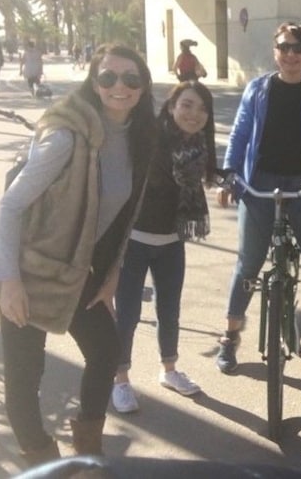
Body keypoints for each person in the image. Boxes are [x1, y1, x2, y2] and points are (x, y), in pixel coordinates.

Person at [0, 44, 156, 467]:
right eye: (108, 77)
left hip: (78, 273)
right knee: (25, 376)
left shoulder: (139, 139)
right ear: (93, 82)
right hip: (28, 270)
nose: (119, 87)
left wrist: (112, 273)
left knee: (106, 351)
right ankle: (43, 464)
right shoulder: (67, 135)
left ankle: (87, 452)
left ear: (143, 87)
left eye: (131, 79)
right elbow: (10, 206)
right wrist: (10, 283)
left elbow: (124, 217)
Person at [215, 22, 301, 374]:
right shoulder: (257, 89)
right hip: (260, 184)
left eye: (298, 48)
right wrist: (230, 174)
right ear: (275, 50)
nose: (290, 54)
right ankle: (229, 338)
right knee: (248, 262)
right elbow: (241, 132)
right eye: (284, 47)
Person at [111, 80, 217, 413]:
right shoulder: (150, 139)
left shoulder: (199, 146)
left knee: (169, 310)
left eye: (202, 108)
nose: (194, 114)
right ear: (171, 107)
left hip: (172, 242)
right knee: (127, 314)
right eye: (186, 105)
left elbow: (209, 178)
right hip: (136, 240)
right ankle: (121, 379)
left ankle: (169, 370)